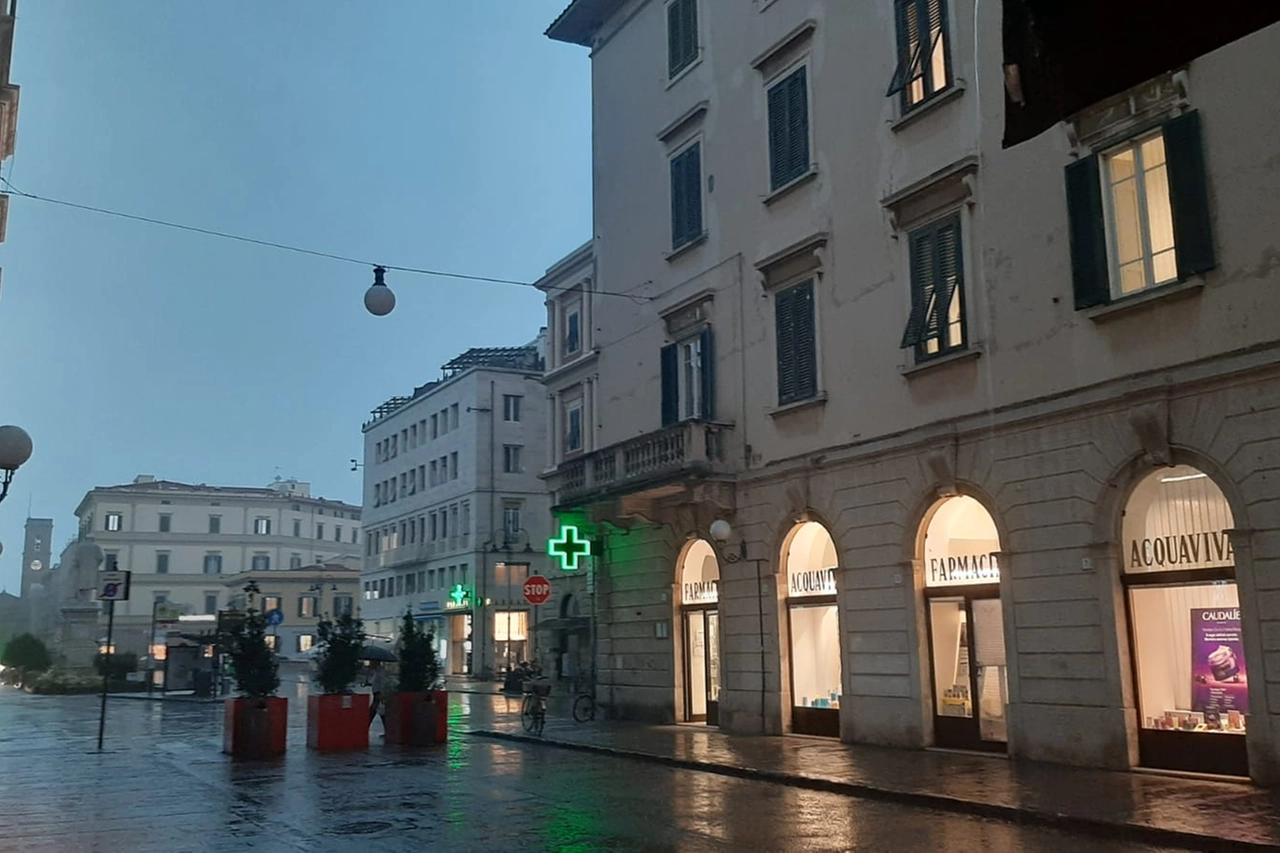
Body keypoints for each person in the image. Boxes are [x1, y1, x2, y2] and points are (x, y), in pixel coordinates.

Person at [367, 661, 388, 729]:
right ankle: (387, 729)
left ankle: (365, 727)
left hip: (378, 694)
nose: (370, 664)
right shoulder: (376, 672)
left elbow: (382, 683)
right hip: (377, 694)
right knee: (379, 712)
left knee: (373, 712)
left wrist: (382, 693)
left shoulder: (379, 672)